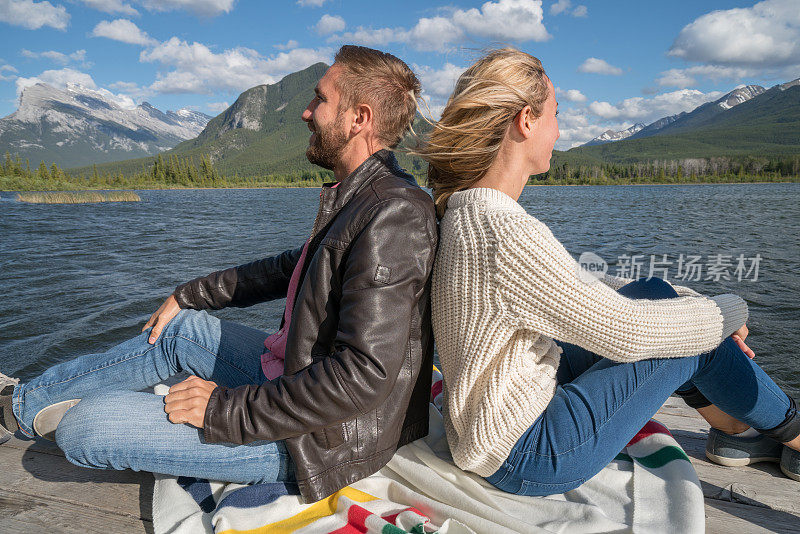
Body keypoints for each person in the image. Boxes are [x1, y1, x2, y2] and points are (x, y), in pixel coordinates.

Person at [0, 45, 438, 504]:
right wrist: (191, 294)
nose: (307, 112)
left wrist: (222, 409)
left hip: (318, 440)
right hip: (293, 377)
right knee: (180, 329)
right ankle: (18, 407)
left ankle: (48, 412)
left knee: (85, 428)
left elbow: (361, 376)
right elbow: (289, 269)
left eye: (320, 99)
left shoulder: (395, 214)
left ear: (358, 118)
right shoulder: (359, 197)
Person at [416, 47, 800, 494]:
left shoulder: (469, 212)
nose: (559, 130)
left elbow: (578, 285)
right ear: (526, 120)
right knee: (693, 337)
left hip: (502, 418)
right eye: (555, 115)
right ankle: (792, 431)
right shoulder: (503, 230)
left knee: (656, 293)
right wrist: (731, 310)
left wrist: (693, 300)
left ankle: (734, 432)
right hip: (528, 452)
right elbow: (627, 330)